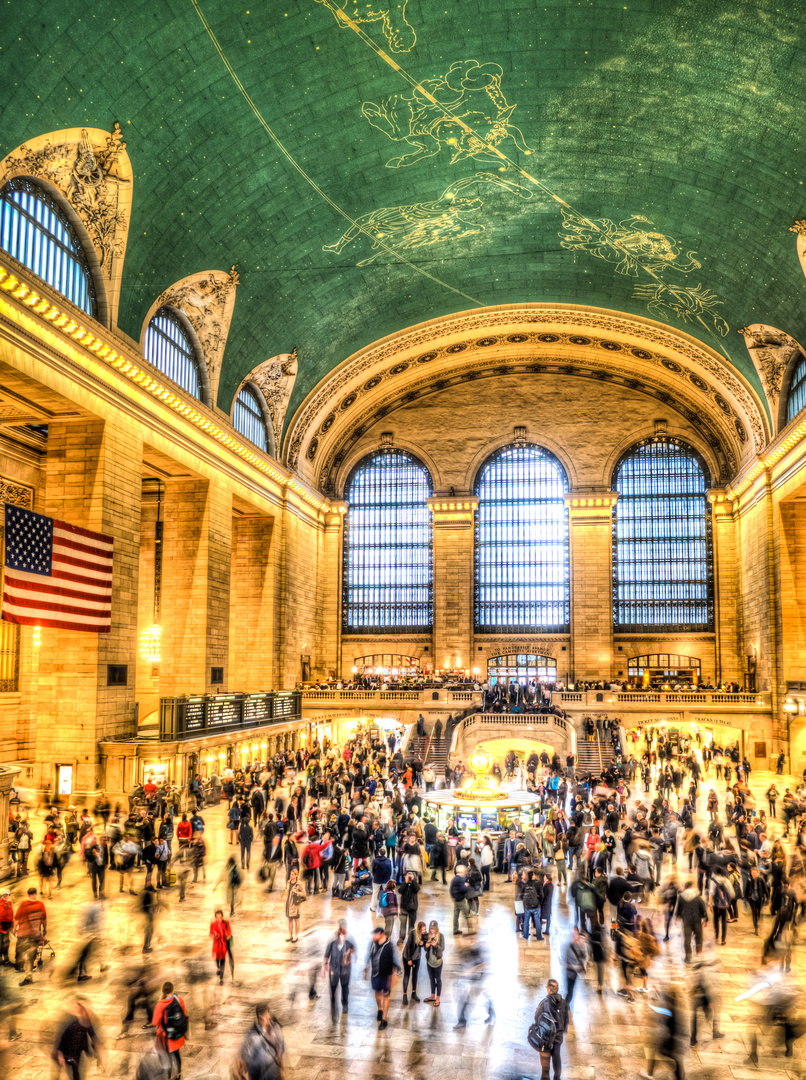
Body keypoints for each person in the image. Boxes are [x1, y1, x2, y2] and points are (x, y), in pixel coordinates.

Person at [232, 1001, 285, 1080]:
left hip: (273, 1072)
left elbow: (280, 1043)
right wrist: (242, 1066)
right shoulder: (251, 1033)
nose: (268, 1020)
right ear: (260, 1017)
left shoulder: (275, 1027)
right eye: (265, 1018)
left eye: (268, 1017)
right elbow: (245, 1052)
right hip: (257, 1073)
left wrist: (279, 1055)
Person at [52, 998, 102, 1080]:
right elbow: (61, 1037)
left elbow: (92, 1033)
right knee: (68, 1069)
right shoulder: (69, 1021)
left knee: (76, 1070)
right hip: (66, 1049)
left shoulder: (85, 1020)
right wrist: (59, 1052)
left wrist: (98, 1049)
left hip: (77, 1051)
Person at [531, 978, 569, 1080]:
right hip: (558, 1037)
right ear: (557, 989)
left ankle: (545, 1077)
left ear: (548, 989)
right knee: (557, 1056)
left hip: (546, 1038)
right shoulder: (564, 1003)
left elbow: (537, 1019)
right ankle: (557, 1077)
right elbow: (566, 1020)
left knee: (545, 1066)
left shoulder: (544, 1003)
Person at [364, 926, 401, 1029]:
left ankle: (384, 1019)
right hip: (375, 974)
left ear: (381, 934)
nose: (373, 936)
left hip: (386, 976)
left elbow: (395, 961)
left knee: (385, 996)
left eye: (375, 934)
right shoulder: (372, 944)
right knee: (377, 993)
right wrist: (366, 967)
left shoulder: (389, 946)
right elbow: (369, 955)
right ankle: (379, 1009)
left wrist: (394, 975)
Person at [152, 980, 188, 1080]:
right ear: (172, 989)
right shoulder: (179, 999)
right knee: (177, 1055)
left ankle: (168, 1077)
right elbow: (184, 1014)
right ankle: (179, 1074)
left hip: (166, 1037)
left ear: (162, 991)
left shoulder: (160, 1004)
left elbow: (155, 1022)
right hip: (177, 1034)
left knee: (168, 1057)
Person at [13, 885, 46, 986]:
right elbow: (44, 919)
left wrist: (14, 929)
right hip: (34, 935)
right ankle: (28, 976)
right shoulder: (41, 905)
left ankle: (21, 969)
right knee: (30, 958)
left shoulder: (23, 905)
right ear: (35, 894)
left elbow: (17, 919)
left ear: (28, 895)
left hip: (23, 934)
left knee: (20, 953)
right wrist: (45, 929)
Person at [324, 919, 357, 1018]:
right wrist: (326, 964)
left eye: (345, 928)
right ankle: (333, 1004)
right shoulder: (332, 940)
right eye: (342, 928)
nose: (344, 930)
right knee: (333, 987)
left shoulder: (349, 939)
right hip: (334, 968)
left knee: (345, 987)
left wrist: (349, 952)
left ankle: (345, 1004)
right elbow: (327, 953)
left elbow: (354, 949)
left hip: (345, 969)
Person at [401, 920, 425, 1005]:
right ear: (418, 929)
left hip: (416, 957)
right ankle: (404, 995)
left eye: (424, 930)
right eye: (422, 930)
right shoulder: (413, 934)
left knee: (415, 975)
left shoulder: (423, 935)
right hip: (407, 957)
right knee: (407, 974)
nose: (424, 931)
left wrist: (422, 944)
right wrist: (409, 959)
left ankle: (413, 993)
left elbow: (424, 944)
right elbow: (408, 947)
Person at [563, 926, 587, 1005]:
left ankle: (566, 1003)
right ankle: (566, 1004)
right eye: (576, 939)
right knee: (570, 990)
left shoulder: (579, 946)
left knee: (570, 990)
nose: (578, 940)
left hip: (573, 973)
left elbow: (584, 956)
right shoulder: (569, 947)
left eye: (578, 939)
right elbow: (567, 961)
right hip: (570, 973)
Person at [423, 919, 445, 1007]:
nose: (432, 930)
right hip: (429, 961)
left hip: (437, 962)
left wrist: (436, 945)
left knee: (438, 978)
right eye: (431, 928)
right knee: (431, 978)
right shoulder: (428, 936)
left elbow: (442, 949)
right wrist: (426, 946)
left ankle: (438, 997)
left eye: (434, 928)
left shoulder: (441, 936)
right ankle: (432, 995)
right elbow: (425, 949)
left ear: (437, 928)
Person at [210, 908, 234, 984]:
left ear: (222, 916)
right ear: (215, 917)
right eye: (217, 917)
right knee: (217, 958)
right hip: (217, 944)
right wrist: (215, 935)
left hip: (223, 944)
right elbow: (210, 934)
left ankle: (221, 979)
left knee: (223, 960)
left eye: (220, 917)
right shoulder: (213, 924)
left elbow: (229, 931)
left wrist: (228, 936)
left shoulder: (226, 923)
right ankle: (218, 968)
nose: (219, 919)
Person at [450, 864, 474, 935]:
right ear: (461, 872)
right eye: (464, 871)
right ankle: (471, 930)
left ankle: (455, 929)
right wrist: (466, 886)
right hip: (460, 899)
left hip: (456, 899)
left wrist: (454, 897)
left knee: (456, 915)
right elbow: (462, 889)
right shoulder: (460, 879)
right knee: (467, 914)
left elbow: (451, 890)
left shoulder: (454, 878)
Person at [284, 868, 306, 943]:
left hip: (295, 905)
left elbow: (304, 894)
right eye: (290, 874)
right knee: (289, 920)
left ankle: (296, 936)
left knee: (296, 920)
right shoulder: (288, 882)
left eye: (292, 874)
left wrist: (297, 892)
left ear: (296, 875)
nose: (291, 876)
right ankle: (290, 935)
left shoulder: (299, 884)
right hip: (288, 904)